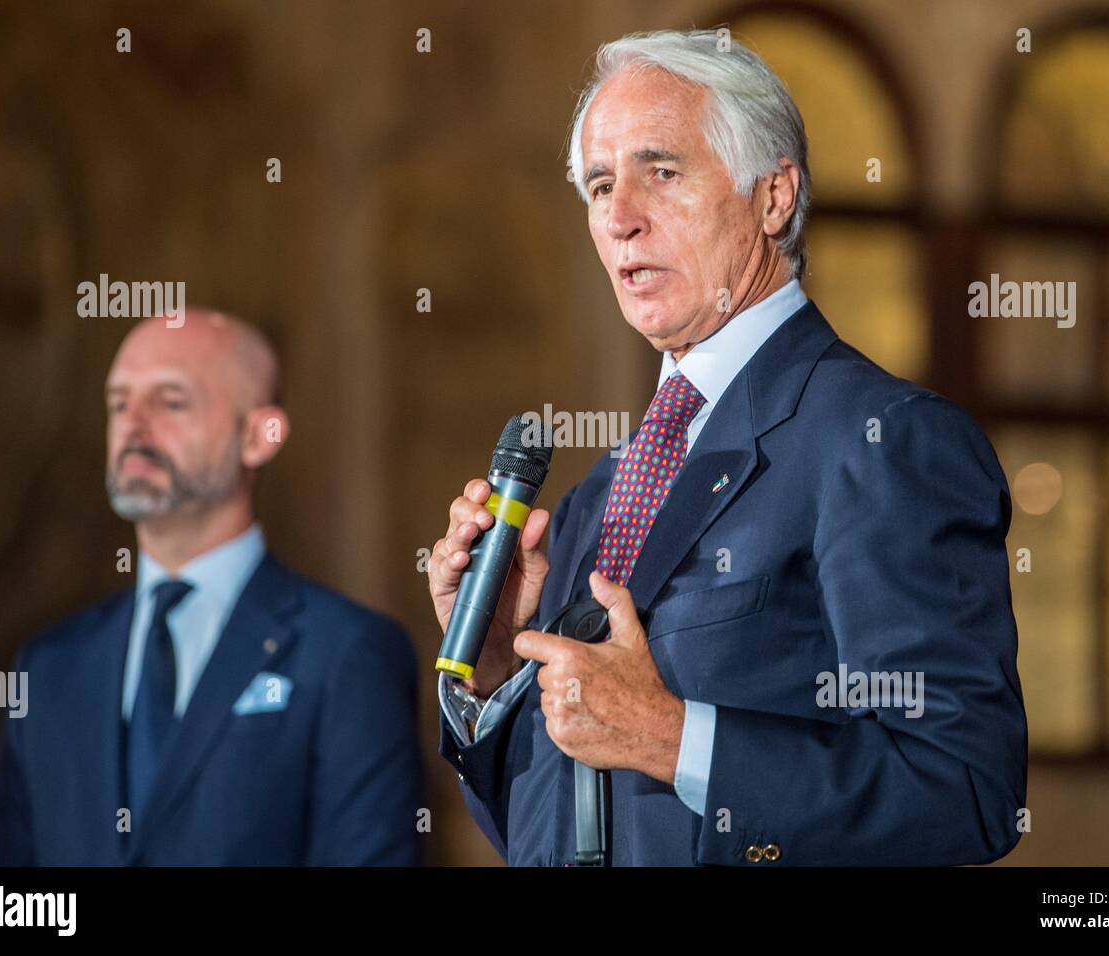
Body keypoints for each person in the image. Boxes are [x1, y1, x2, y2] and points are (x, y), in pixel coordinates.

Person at [429, 30, 1026, 866]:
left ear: (774, 196)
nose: (620, 216)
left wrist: (676, 740)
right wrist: (494, 669)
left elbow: (965, 791)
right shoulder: (598, 495)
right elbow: (546, 829)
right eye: (600, 185)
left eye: (661, 172)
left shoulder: (881, 441)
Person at [0, 309, 423, 865]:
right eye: (118, 403)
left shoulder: (347, 653)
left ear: (258, 436)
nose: (132, 425)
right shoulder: (49, 667)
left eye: (170, 401)